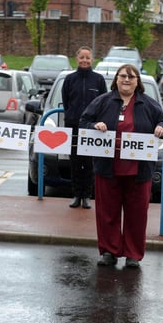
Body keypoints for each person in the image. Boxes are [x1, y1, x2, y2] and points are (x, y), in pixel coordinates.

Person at [80, 64, 163, 268]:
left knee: (137, 214)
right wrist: (95, 126)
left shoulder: (148, 104)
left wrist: (161, 127)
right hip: (107, 168)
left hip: (139, 170)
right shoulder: (103, 101)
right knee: (107, 213)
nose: (127, 80)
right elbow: (84, 121)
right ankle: (109, 251)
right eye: (123, 76)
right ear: (116, 79)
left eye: (131, 77)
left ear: (137, 81)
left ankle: (133, 254)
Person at [61, 46, 107, 209]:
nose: (85, 60)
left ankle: (87, 196)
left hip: (92, 128)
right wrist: (73, 116)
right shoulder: (69, 79)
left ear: (92, 59)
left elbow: (103, 103)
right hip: (73, 126)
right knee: (74, 162)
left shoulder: (99, 80)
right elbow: (66, 102)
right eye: (82, 57)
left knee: (88, 163)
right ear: (77, 59)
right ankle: (76, 194)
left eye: (88, 57)